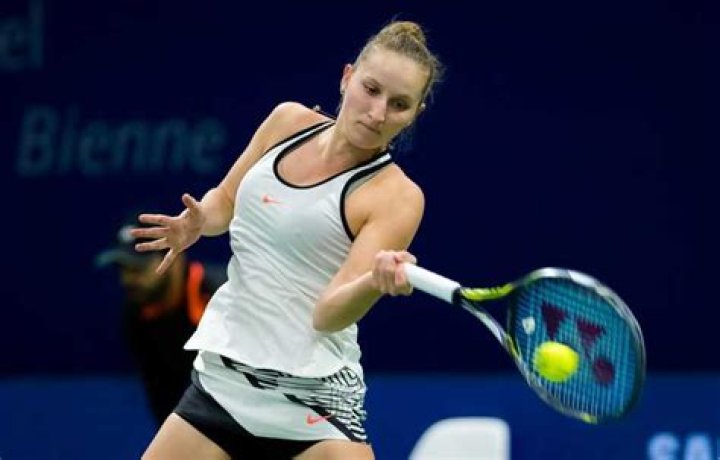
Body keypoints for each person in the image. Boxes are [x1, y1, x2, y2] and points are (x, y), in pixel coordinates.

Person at [132, 19, 444, 460]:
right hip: (225, 384)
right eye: (371, 89)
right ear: (347, 77)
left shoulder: (396, 196)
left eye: (399, 104)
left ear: (415, 113)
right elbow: (225, 201)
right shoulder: (287, 122)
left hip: (314, 403)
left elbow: (328, 314)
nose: (378, 113)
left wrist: (374, 283)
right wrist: (198, 222)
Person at [96, 216, 226, 425]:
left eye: (138, 267)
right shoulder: (136, 316)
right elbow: (165, 402)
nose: (127, 279)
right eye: (123, 269)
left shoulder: (224, 296)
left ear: (174, 259)